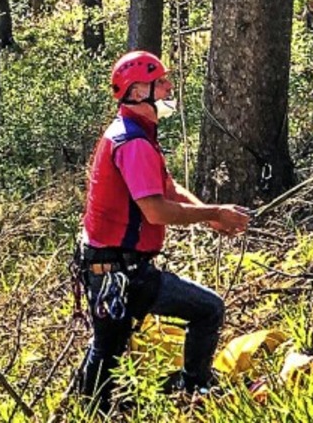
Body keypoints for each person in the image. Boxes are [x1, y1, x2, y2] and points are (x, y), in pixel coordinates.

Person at [76, 49, 250, 413]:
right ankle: (190, 387)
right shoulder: (134, 143)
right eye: (162, 82)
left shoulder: (135, 134)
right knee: (113, 346)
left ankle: (187, 388)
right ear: (139, 92)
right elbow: (154, 211)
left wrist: (209, 216)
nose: (170, 87)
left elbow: (167, 189)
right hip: (117, 273)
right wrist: (215, 211)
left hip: (122, 269)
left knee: (109, 347)